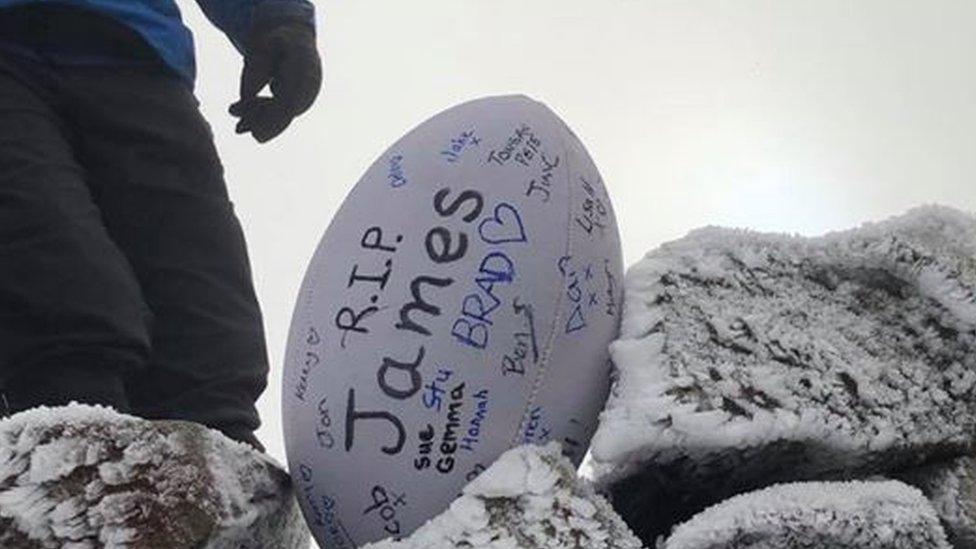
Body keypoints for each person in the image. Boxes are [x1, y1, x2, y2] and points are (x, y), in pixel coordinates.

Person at [0, 0, 321, 453]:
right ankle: (70, 463)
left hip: (135, 53)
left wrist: (276, 19)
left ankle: (221, 473)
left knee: (204, 324)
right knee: (55, 286)